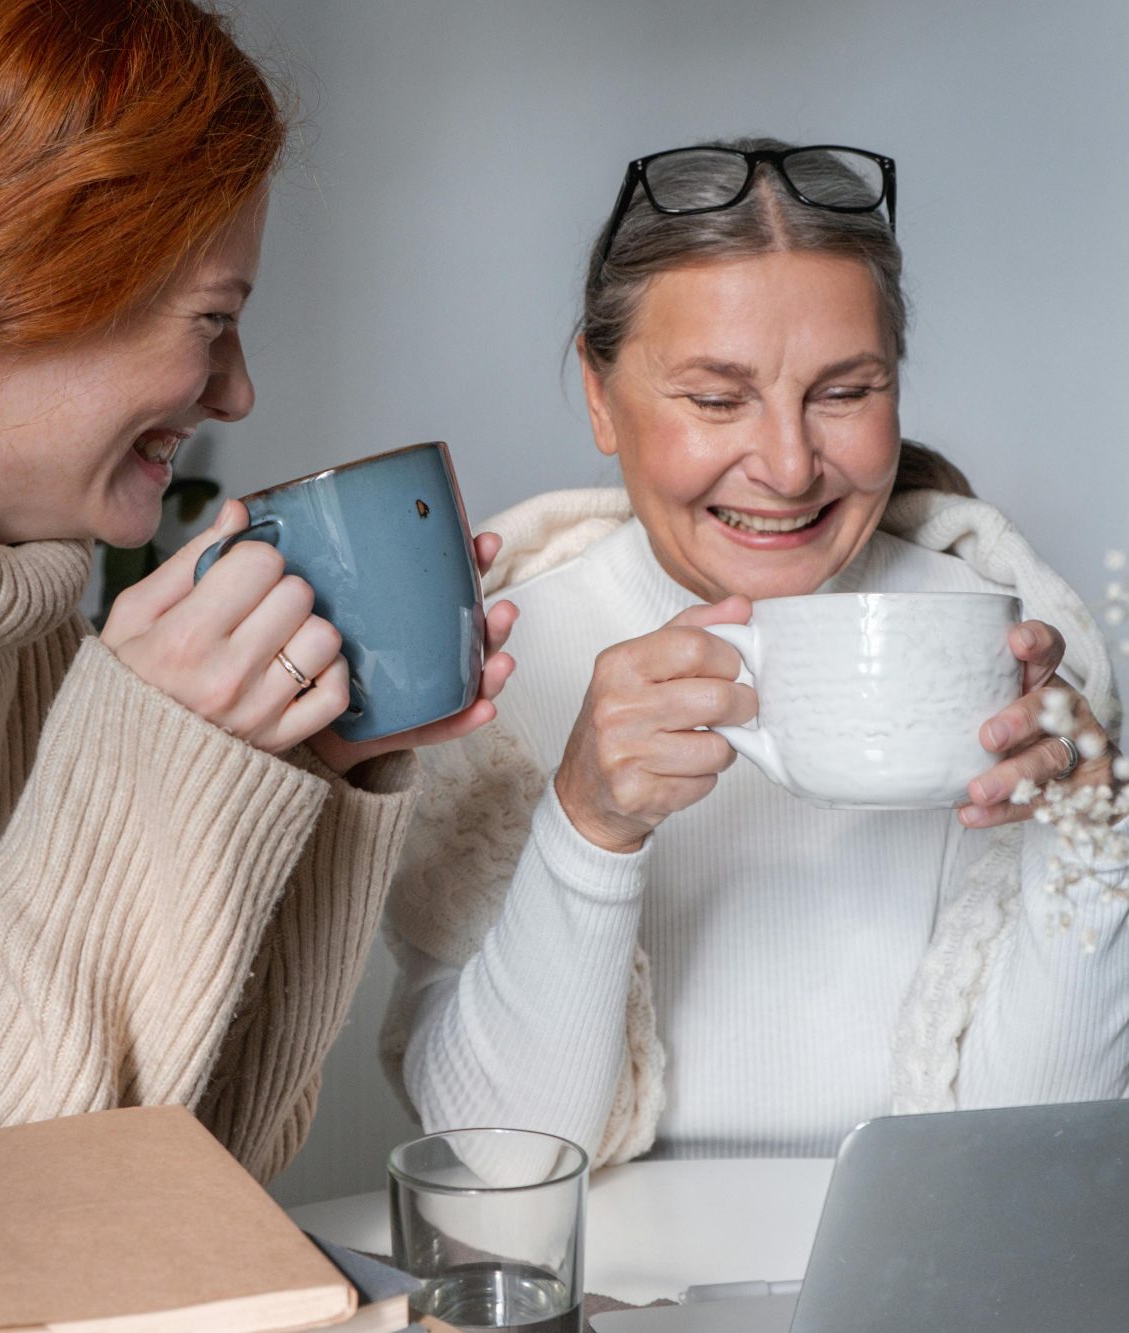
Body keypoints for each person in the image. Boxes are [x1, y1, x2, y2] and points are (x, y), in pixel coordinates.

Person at [0, 0, 516, 1323]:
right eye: (211, 317)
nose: (235, 393)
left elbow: (181, 1183)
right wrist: (149, 758)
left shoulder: (7, 630)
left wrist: (293, 774)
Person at [382, 140, 1127, 1171]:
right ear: (599, 397)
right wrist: (587, 822)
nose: (785, 466)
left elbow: (1037, 1157)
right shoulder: (505, 669)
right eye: (717, 398)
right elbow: (498, 1163)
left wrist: (1085, 845)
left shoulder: (1003, 646)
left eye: (843, 391)